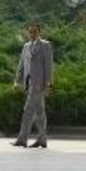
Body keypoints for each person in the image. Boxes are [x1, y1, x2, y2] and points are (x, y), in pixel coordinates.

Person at [12, 21, 54, 149]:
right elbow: (21, 65)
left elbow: (49, 66)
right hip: (28, 83)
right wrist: (16, 81)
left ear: (39, 32)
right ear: (27, 33)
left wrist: (48, 84)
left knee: (28, 111)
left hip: (39, 85)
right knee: (40, 112)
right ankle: (42, 140)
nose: (32, 34)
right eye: (30, 31)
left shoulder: (45, 45)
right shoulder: (26, 46)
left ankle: (22, 139)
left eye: (35, 31)